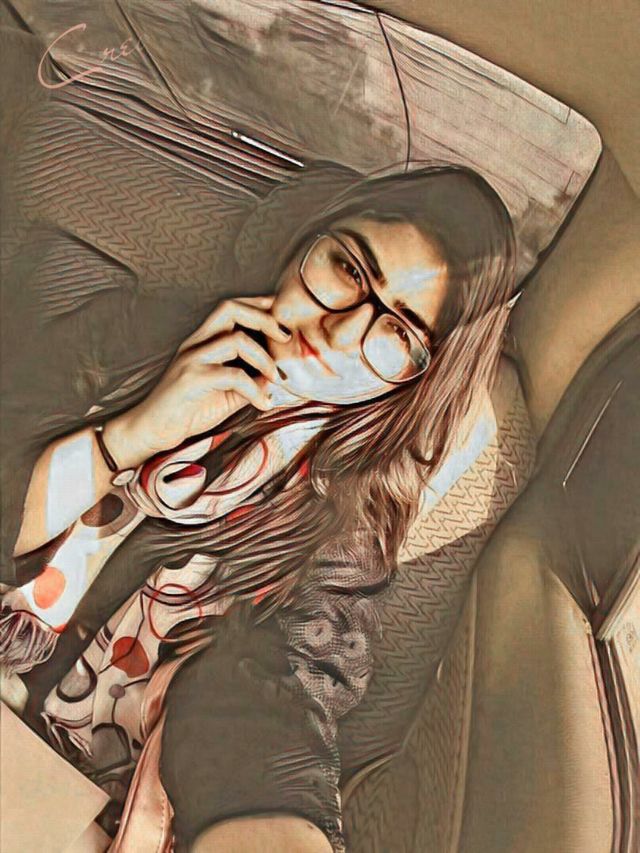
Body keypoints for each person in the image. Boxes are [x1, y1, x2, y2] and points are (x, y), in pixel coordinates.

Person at [0, 164, 516, 851]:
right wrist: (129, 435)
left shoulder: (348, 526)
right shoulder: (131, 330)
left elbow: (284, 699)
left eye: (398, 332)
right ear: (311, 240)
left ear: (418, 377)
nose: (339, 332)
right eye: (349, 270)